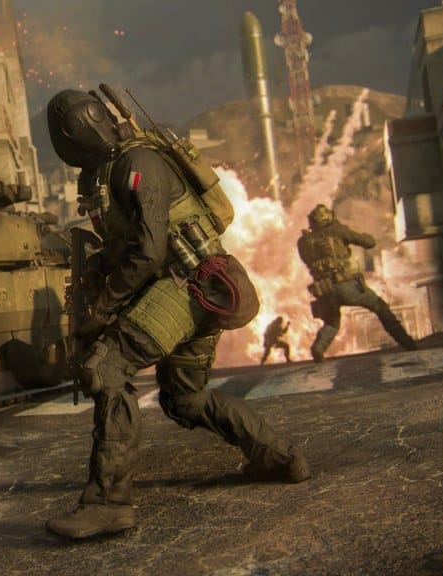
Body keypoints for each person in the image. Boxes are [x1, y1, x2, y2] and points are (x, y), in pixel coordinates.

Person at [45, 89, 311, 540]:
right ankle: (278, 456)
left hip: (190, 282)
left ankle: (108, 504)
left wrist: (103, 311)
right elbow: (134, 244)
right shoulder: (109, 171)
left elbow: (148, 252)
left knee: (106, 367)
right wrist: (100, 265)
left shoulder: (137, 163)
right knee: (183, 398)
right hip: (195, 286)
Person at [297, 204, 417, 362]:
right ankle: (407, 342)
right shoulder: (337, 230)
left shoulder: (304, 241)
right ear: (327, 217)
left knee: (331, 324)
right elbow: (369, 242)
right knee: (379, 307)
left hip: (323, 290)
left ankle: (318, 348)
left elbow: (307, 261)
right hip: (346, 286)